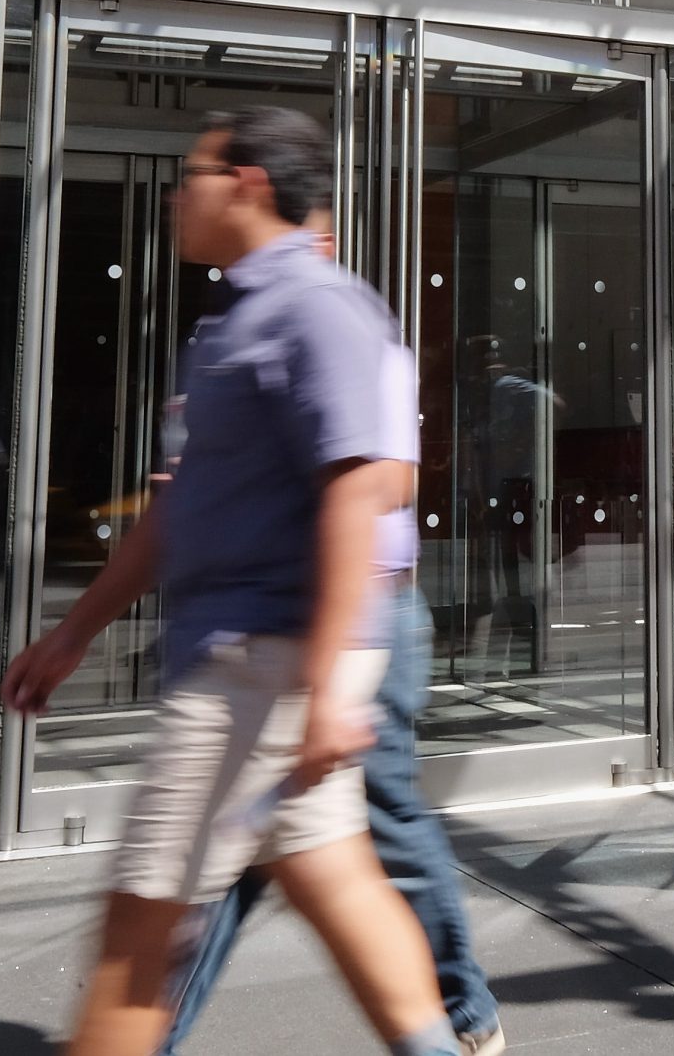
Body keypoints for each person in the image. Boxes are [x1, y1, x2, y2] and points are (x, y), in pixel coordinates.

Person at [1, 108, 460, 1056]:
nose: (178, 192)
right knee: (340, 886)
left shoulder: (319, 309)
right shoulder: (242, 319)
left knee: (140, 924)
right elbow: (179, 508)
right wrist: (74, 629)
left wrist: (333, 686)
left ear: (248, 182)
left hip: (258, 666)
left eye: (193, 173)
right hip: (261, 662)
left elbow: (355, 495)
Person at [160, 210, 503, 1056]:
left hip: (357, 617)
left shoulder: (341, 323)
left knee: (370, 835)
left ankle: (462, 1018)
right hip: (290, 627)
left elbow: (382, 482)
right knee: (248, 852)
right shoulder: (242, 327)